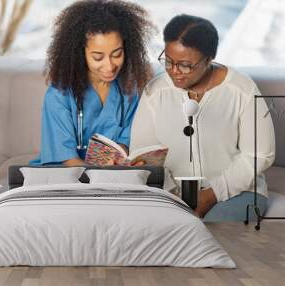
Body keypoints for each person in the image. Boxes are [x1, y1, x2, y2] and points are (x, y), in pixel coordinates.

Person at [130, 14, 275, 220]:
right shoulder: (155, 92)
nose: (174, 71)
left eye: (185, 65)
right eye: (168, 61)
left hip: (237, 193)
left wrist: (213, 193)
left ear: (209, 59)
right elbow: (143, 151)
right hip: (170, 193)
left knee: (207, 231)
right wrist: (172, 194)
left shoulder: (242, 90)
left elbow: (260, 155)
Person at [30, 0, 154, 166]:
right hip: (67, 178)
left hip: (115, 180)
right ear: (80, 53)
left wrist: (123, 163)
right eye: (98, 57)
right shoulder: (59, 95)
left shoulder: (130, 92)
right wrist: (103, 173)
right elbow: (67, 160)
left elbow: (126, 145)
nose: (110, 66)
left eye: (117, 54)